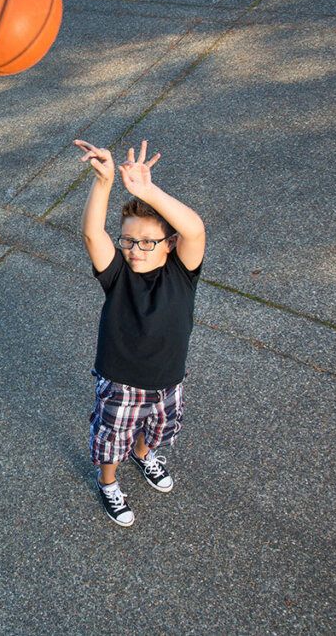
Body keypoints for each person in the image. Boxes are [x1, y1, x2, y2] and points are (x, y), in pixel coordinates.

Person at [74, 139, 205, 527]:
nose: (136, 248)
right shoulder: (117, 275)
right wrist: (104, 182)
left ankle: (144, 454)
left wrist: (147, 191)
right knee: (112, 439)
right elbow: (92, 234)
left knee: (158, 427)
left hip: (169, 379)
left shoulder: (182, 274)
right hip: (121, 383)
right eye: (129, 240)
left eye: (148, 242)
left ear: (170, 245)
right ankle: (108, 482)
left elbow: (195, 229)